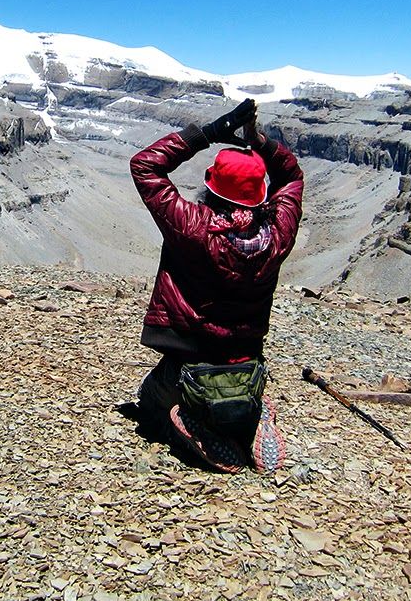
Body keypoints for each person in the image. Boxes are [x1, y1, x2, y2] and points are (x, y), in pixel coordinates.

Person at [129, 99, 304, 473]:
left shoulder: (193, 227)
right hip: (247, 359)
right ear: (260, 195)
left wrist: (207, 133)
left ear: (212, 188)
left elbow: (145, 165)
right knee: (235, 390)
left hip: (191, 358)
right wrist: (260, 143)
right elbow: (290, 178)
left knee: (150, 402)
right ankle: (251, 417)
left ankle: (198, 432)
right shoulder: (277, 235)